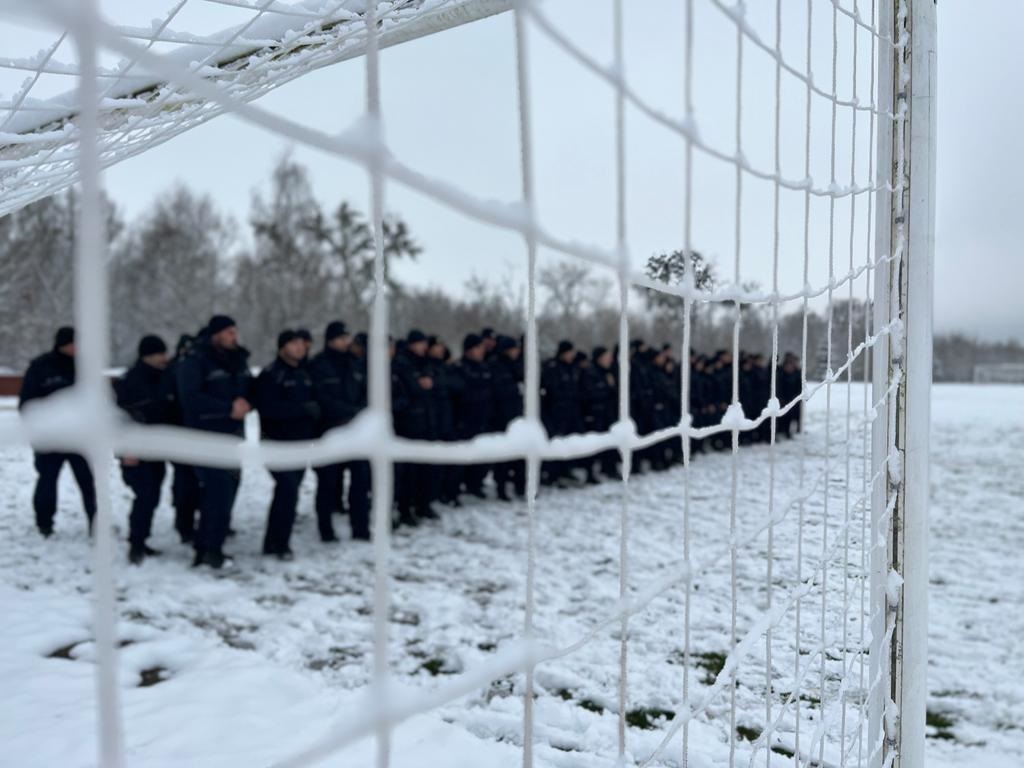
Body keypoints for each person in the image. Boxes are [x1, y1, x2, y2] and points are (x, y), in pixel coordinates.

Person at [177, 315, 253, 569]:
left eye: (235, 331)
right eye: (229, 332)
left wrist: (246, 403)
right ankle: (210, 550)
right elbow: (190, 397)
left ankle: (207, 546)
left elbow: (248, 388)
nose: (234, 336)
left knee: (227, 492)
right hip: (205, 437)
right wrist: (226, 408)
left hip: (232, 437)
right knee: (218, 492)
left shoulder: (238, 360)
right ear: (216, 334)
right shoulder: (196, 361)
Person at [18, 326, 96, 537]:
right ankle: (44, 524)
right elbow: (27, 403)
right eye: (73, 343)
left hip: (80, 438)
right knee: (47, 480)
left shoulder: (86, 367)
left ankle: (96, 522)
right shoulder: (41, 367)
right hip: (50, 437)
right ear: (63, 344)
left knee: (89, 482)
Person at [255, 330, 321, 559]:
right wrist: (301, 410)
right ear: (283, 347)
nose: (300, 347)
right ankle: (278, 544)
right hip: (276, 443)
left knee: (288, 493)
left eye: (302, 344)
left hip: (301, 443)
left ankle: (275, 541)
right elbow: (268, 408)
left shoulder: (305, 373)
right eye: (294, 344)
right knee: (288, 490)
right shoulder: (272, 374)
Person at [114, 335, 173, 564]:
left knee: (152, 495)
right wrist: (126, 451)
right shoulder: (128, 382)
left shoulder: (164, 377)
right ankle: (136, 544)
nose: (164, 358)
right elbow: (119, 420)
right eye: (160, 354)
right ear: (147, 356)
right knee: (146, 495)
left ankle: (141, 540)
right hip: (134, 451)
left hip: (156, 448)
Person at [310, 320, 370, 542]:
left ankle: (360, 528)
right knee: (327, 485)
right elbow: (321, 397)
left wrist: (358, 412)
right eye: (342, 338)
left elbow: (366, 392)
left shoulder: (355, 364)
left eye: (348, 337)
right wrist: (347, 411)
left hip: (355, 433)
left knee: (360, 483)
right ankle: (326, 530)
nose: (347, 342)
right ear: (331, 340)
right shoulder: (318, 364)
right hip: (329, 432)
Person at [391, 329, 438, 525]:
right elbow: (412, 388)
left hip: (426, 421)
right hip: (408, 425)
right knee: (408, 472)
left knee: (425, 469)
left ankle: (422, 505)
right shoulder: (402, 363)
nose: (424, 347)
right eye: (420, 343)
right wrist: (421, 385)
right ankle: (405, 509)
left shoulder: (424, 362)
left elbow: (430, 383)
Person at [163, 334, 201, 543]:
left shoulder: (181, 368)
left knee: (188, 481)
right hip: (182, 432)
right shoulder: (178, 369)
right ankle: (184, 523)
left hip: (188, 432)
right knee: (186, 481)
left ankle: (185, 520)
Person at [451, 333, 495, 498]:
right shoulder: (459, 368)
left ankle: (475, 484)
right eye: (478, 348)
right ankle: (453, 490)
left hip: (482, 419)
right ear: (469, 350)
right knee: (460, 458)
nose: (481, 351)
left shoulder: (484, 367)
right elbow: (459, 394)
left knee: (481, 457)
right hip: (464, 419)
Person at [540, 340, 582, 486]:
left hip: (570, 411)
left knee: (568, 441)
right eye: (569, 352)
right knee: (556, 442)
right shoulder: (552, 367)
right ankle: (552, 474)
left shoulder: (572, 367)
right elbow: (550, 391)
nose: (572, 355)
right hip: (555, 411)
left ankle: (566, 470)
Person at [490, 334, 525, 500]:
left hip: (517, 415)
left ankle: (520, 485)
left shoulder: (517, 365)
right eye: (513, 349)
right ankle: (501, 487)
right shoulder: (496, 366)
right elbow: (497, 391)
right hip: (501, 416)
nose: (516, 352)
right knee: (503, 456)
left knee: (520, 453)